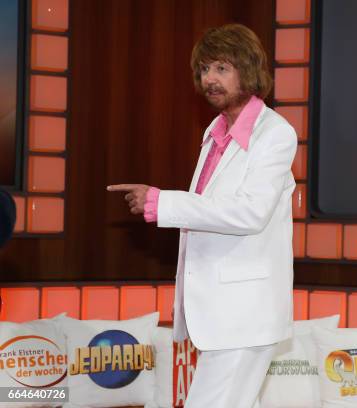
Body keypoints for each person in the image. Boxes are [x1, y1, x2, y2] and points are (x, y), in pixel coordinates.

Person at [108, 24, 297, 407]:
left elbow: (250, 212)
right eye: (204, 70)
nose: (209, 79)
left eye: (221, 69)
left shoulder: (275, 134)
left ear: (248, 70)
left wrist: (163, 203)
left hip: (244, 316)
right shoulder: (215, 133)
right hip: (220, 316)